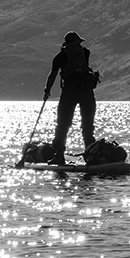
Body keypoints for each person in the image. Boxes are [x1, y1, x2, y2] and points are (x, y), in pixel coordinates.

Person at [43, 31, 99, 165]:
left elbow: (53, 75)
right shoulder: (86, 53)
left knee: (62, 125)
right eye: (78, 41)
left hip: (70, 93)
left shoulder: (60, 57)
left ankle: (59, 156)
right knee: (88, 126)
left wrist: (47, 91)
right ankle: (91, 156)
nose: (79, 44)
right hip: (87, 93)